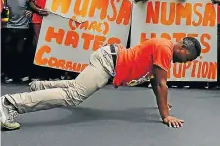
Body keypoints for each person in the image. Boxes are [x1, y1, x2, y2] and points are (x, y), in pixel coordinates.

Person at [0, 37, 202, 130]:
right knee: (74, 96)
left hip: (109, 59)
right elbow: (160, 84)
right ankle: (9, 103)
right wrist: (165, 115)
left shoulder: (164, 47)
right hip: (108, 62)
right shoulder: (165, 49)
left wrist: (164, 104)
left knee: (76, 88)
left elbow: (154, 82)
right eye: (188, 58)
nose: (185, 63)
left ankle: (40, 87)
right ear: (183, 48)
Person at [1, 0, 32, 83]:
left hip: (23, 28)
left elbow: (33, 8)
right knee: (8, 52)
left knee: (20, 51)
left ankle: (23, 74)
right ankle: (10, 75)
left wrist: (31, 12)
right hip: (10, 27)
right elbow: (4, 11)